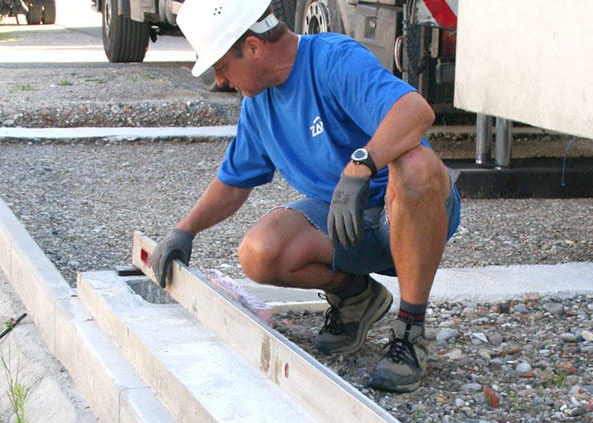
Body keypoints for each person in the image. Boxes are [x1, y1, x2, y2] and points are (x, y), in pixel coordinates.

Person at [152, 0, 461, 393]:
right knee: (259, 251)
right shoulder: (258, 103)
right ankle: (358, 298)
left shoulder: (333, 60)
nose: (221, 80)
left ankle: (410, 333)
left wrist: (361, 166)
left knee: (416, 166)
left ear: (252, 47)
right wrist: (185, 231)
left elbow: (415, 111)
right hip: (346, 222)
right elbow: (233, 182)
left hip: (408, 213)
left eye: (222, 66)